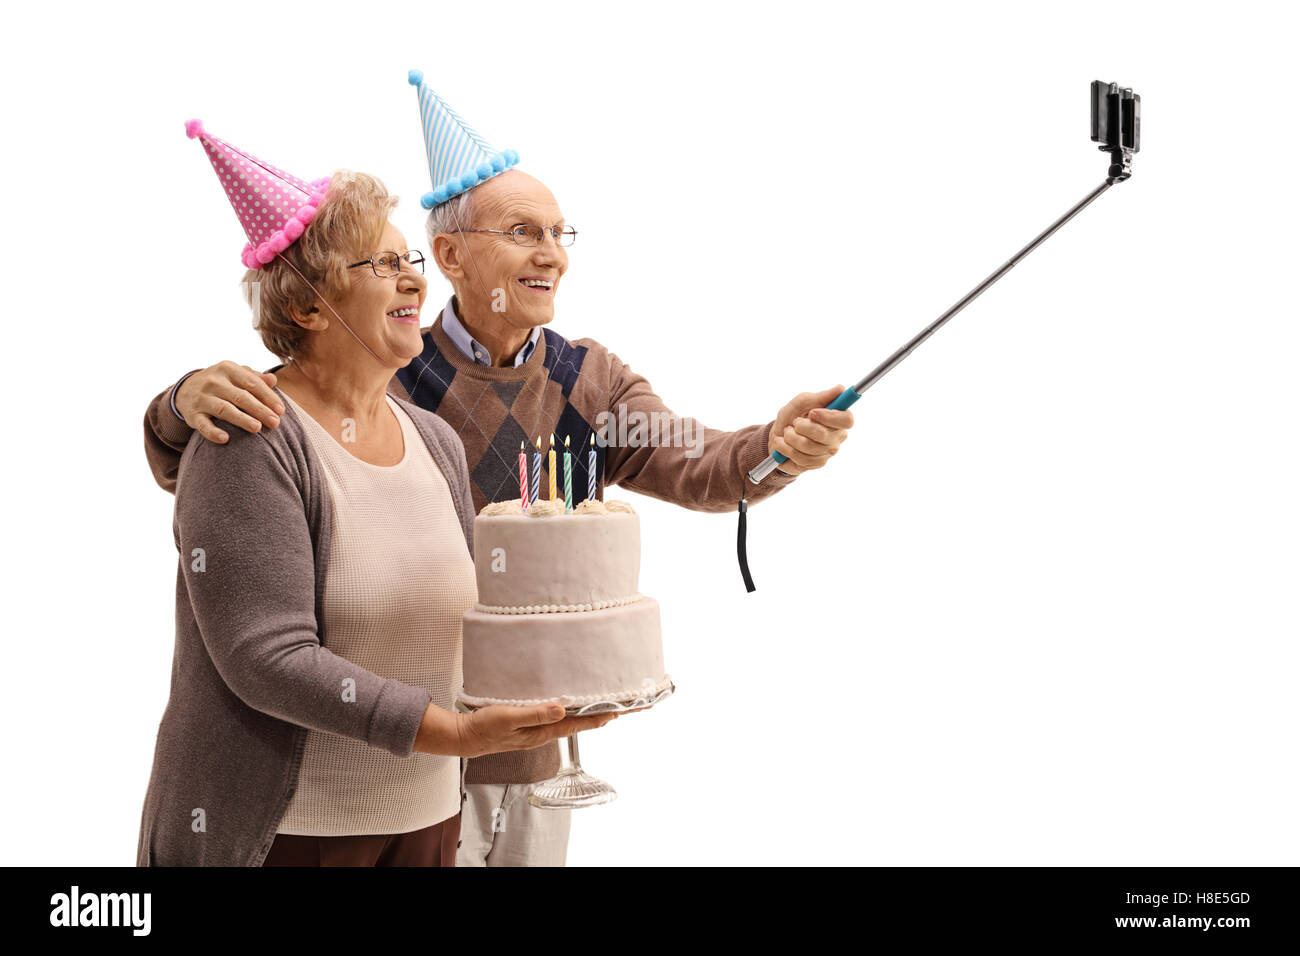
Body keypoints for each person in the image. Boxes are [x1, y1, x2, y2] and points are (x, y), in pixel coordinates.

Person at [141, 80, 855, 866]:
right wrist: (176, 404)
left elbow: (702, 464)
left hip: (516, 756)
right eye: (522, 232)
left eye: (559, 232)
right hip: (371, 766)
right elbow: (227, 461)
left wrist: (777, 448)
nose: (551, 252)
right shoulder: (389, 373)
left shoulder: (583, 382)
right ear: (450, 253)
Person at [137, 122, 613, 868]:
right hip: (291, 837)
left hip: (428, 824)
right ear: (307, 306)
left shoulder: (434, 442)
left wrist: (560, 681)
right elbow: (268, 657)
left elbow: (465, 619)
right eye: (384, 264)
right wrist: (452, 733)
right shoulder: (254, 433)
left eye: (411, 259)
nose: (417, 281)